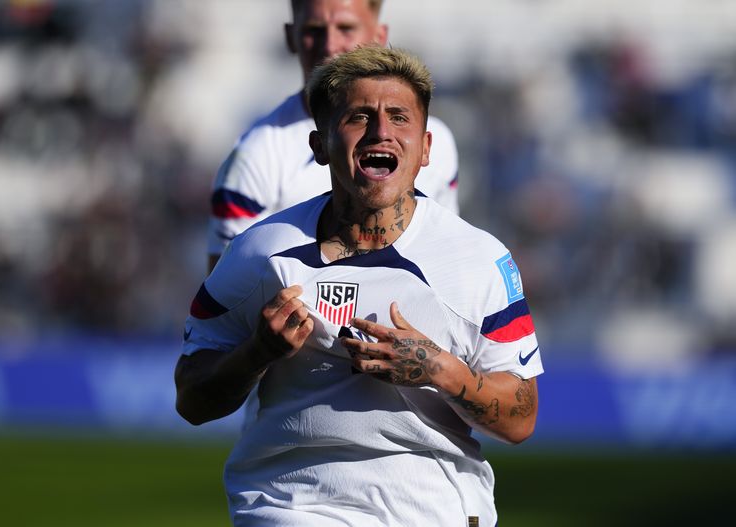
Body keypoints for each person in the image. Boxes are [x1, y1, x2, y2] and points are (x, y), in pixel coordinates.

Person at [176, 45, 542, 526]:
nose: (381, 132)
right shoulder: (259, 253)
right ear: (319, 146)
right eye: (359, 117)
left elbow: (521, 419)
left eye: (398, 117)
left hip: (437, 509)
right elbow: (191, 398)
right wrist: (257, 352)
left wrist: (438, 369)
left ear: (426, 148)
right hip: (294, 505)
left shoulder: (479, 261)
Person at [206, 0, 460, 273]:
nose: (329, 45)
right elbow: (226, 299)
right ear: (291, 37)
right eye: (314, 30)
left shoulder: (437, 144)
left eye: (346, 28)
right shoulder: (256, 157)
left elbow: (448, 260)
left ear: (379, 35)